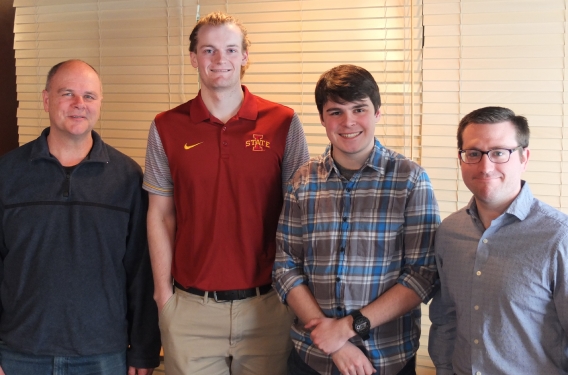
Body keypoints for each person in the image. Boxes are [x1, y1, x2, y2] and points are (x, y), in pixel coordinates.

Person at [143, 11, 310, 375]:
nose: (220, 60)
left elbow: (301, 216)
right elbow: (159, 214)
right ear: (193, 58)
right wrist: (163, 296)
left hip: (267, 306)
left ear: (245, 56)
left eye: (231, 50)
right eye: (209, 50)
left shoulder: (283, 122)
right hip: (189, 308)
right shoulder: (165, 127)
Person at [273, 64, 440, 375]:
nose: (348, 122)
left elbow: (422, 275)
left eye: (359, 109)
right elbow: (285, 267)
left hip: (386, 357)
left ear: (377, 112)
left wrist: (349, 328)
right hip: (312, 355)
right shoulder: (302, 181)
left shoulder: (410, 180)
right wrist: (333, 341)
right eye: (335, 112)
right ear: (322, 118)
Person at [0, 59, 161, 375]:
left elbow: (141, 271)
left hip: (103, 355)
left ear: (100, 103)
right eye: (67, 94)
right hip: (19, 354)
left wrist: (143, 350)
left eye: (89, 96)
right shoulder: (7, 174)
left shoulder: (127, 178)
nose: (79, 104)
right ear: (47, 100)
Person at [428, 106, 568, 374]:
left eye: (499, 153)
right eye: (473, 153)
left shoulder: (559, 237)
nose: (485, 166)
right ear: (461, 159)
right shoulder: (449, 232)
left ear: (524, 157)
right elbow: (446, 319)